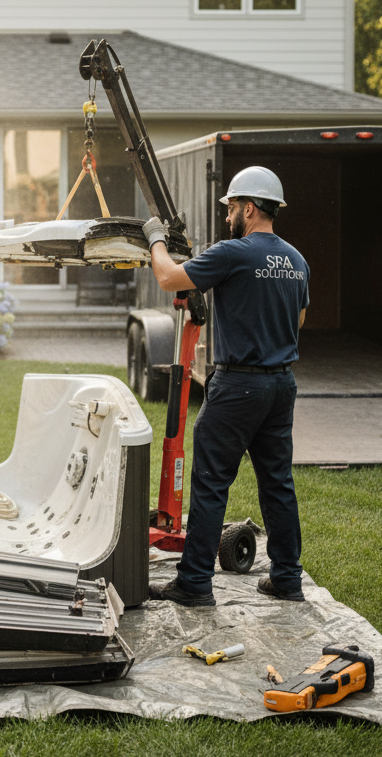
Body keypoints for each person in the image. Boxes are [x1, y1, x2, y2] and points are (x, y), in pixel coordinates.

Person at [142, 166, 309, 607]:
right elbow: (298, 322)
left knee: (212, 482)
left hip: (239, 386)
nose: (229, 215)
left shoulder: (234, 252)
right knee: (278, 483)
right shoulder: (296, 260)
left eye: (232, 207)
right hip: (281, 385)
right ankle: (287, 580)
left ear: (249, 208)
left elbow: (167, 277)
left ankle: (195, 583)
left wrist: (155, 237)